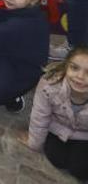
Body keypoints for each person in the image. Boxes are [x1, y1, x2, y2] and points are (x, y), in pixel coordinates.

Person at [22, 46, 88, 182]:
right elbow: (40, 116)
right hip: (58, 128)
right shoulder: (49, 84)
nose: (80, 77)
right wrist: (33, 143)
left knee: (80, 169)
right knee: (57, 159)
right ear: (66, 67)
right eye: (74, 68)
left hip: (85, 134)